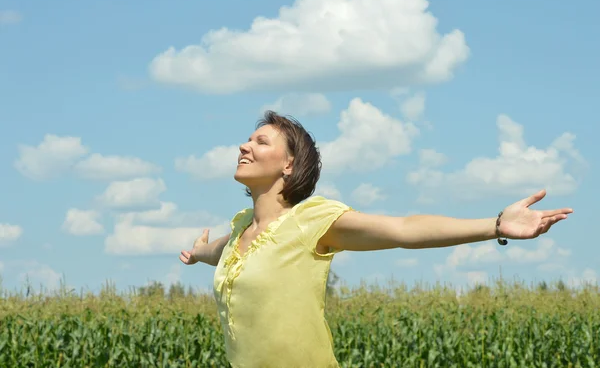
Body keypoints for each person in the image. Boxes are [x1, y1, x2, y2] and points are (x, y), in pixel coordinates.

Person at [179, 110, 573, 368]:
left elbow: (403, 230)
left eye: (261, 141)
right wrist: (198, 252)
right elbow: (223, 251)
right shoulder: (241, 229)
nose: (244, 146)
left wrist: (496, 224)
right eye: (248, 139)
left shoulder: (311, 221)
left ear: (289, 164)